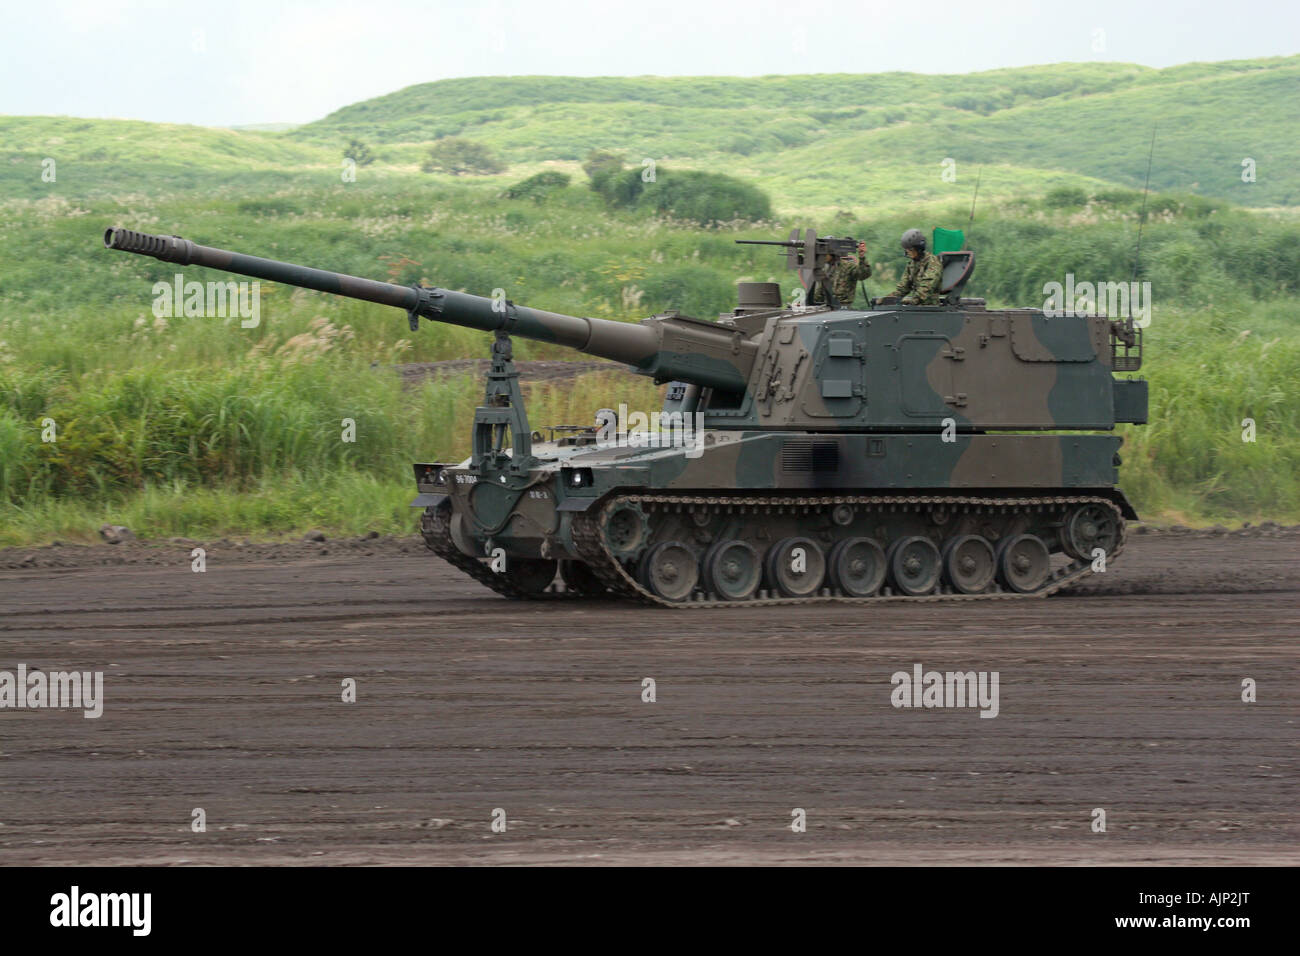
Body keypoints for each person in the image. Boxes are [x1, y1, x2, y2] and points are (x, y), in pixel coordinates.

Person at [812, 240, 871, 307]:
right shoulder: (825, 269)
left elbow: (863, 274)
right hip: (827, 307)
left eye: (825, 254)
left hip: (844, 307)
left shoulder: (848, 267)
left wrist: (862, 257)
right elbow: (819, 293)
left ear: (832, 254)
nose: (822, 256)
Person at [893, 229, 943, 305]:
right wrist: (889, 299)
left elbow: (926, 288)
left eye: (910, 250)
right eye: (906, 250)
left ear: (919, 248)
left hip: (930, 308)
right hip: (916, 307)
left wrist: (912, 300)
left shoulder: (933, 262)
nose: (908, 252)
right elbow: (903, 287)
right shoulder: (912, 263)